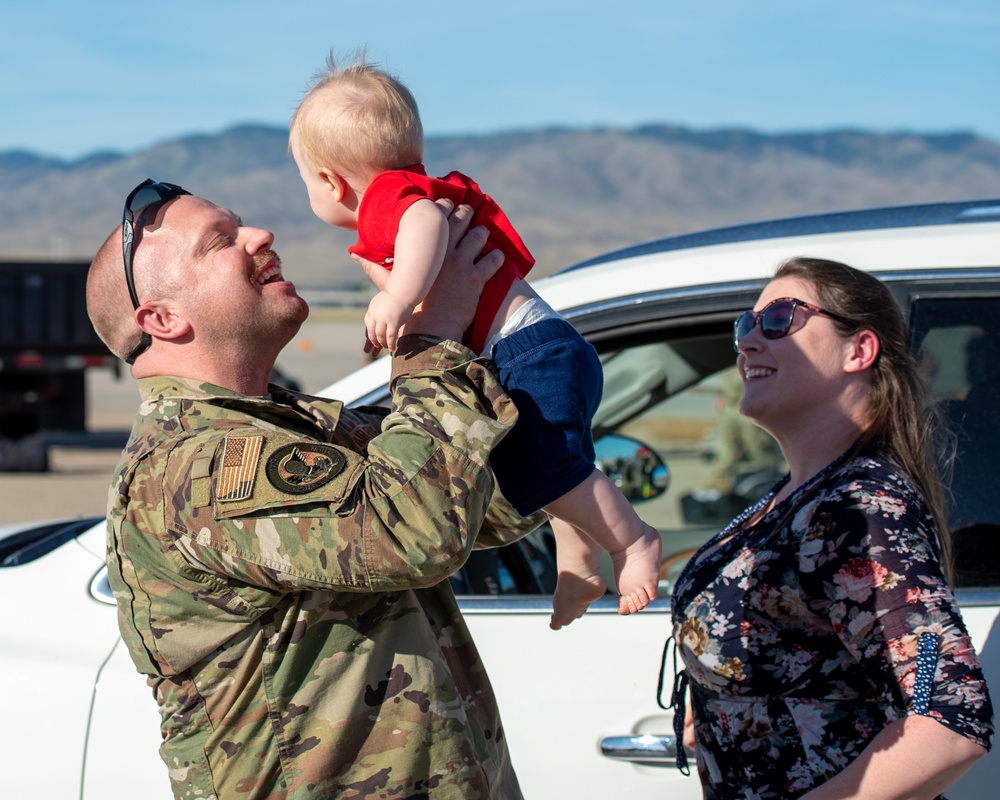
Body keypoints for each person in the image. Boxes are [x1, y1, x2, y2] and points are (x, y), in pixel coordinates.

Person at [87, 178, 548, 800]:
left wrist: (518, 336)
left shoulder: (298, 425)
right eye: (220, 241)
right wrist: (429, 335)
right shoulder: (194, 467)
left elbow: (488, 501)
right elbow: (413, 532)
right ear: (163, 319)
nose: (260, 236)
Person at [289, 52, 661, 630]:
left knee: (546, 469)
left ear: (331, 182)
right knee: (545, 466)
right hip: (538, 350)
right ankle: (578, 559)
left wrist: (395, 296)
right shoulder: (409, 188)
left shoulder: (393, 198)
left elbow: (425, 224)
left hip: (526, 353)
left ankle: (632, 542)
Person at [668, 257, 994, 799]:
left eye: (779, 320)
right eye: (744, 326)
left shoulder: (858, 507)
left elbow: (948, 718)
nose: (748, 342)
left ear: (859, 350)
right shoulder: (799, 497)